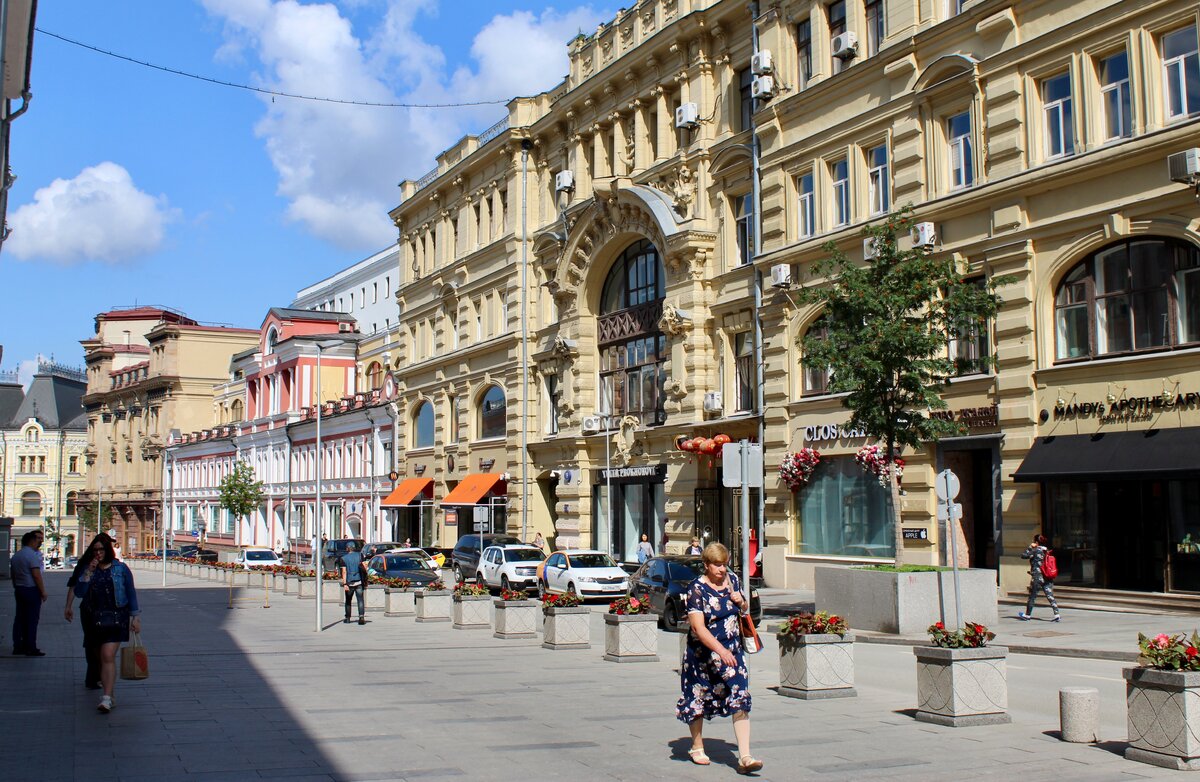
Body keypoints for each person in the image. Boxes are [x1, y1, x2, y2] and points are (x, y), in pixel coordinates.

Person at [676, 542, 762, 774]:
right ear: (706, 565)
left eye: (724, 564)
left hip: (733, 653)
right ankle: (697, 746)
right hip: (703, 656)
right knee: (698, 696)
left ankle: (745, 756)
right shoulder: (696, 589)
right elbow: (698, 628)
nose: (722, 569)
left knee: (740, 696)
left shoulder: (732, 580)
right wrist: (719, 651)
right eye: (717, 565)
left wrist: (740, 602)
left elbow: (744, 609)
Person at [63, 534, 141, 713]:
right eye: (95, 550)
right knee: (100, 658)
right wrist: (88, 572)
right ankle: (110, 693)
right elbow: (80, 592)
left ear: (108, 550)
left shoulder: (120, 569)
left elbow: (130, 592)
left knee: (107, 655)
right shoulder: (88, 568)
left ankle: (105, 697)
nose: (98, 553)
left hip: (116, 617)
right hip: (94, 618)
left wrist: (135, 617)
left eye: (101, 549)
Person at [65, 533, 114, 688]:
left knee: (101, 644)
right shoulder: (86, 564)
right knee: (93, 643)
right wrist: (68, 606)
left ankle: (97, 676)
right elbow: (75, 586)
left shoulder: (114, 565)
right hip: (89, 610)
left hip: (106, 610)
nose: (100, 552)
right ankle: (94, 677)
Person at [11, 530, 48, 656]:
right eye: (38, 539)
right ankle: (30, 647)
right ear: (31, 540)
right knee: (32, 619)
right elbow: (36, 575)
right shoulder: (32, 556)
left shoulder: (17, 555)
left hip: (20, 589)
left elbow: (13, 575)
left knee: (19, 618)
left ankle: (18, 646)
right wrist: (43, 591)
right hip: (31, 590)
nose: (40, 542)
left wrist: (16, 586)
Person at [1018, 534, 1060, 622]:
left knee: (1032, 596)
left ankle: (1027, 615)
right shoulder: (1047, 551)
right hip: (1047, 576)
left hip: (1037, 576)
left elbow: (1023, 555)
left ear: (1036, 542)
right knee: (1050, 595)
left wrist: (1030, 547)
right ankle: (1057, 614)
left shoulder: (1035, 550)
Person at [339, 541, 367, 625]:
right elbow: (365, 567)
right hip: (359, 581)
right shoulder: (360, 555)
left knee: (348, 600)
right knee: (360, 600)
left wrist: (344, 584)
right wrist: (365, 579)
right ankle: (361, 617)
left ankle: (347, 618)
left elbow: (344, 572)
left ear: (347, 548)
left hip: (349, 582)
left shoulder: (343, 558)